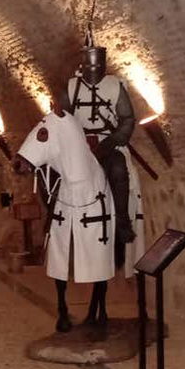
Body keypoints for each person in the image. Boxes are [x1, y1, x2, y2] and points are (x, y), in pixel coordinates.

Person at [65, 28, 136, 259]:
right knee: (54, 175)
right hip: (78, 145)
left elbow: (127, 118)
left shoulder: (114, 86)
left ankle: (122, 220)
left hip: (107, 142)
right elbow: (61, 118)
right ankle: (56, 219)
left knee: (118, 168)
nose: (93, 69)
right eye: (90, 65)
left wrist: (112, 141)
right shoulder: (72, 87)